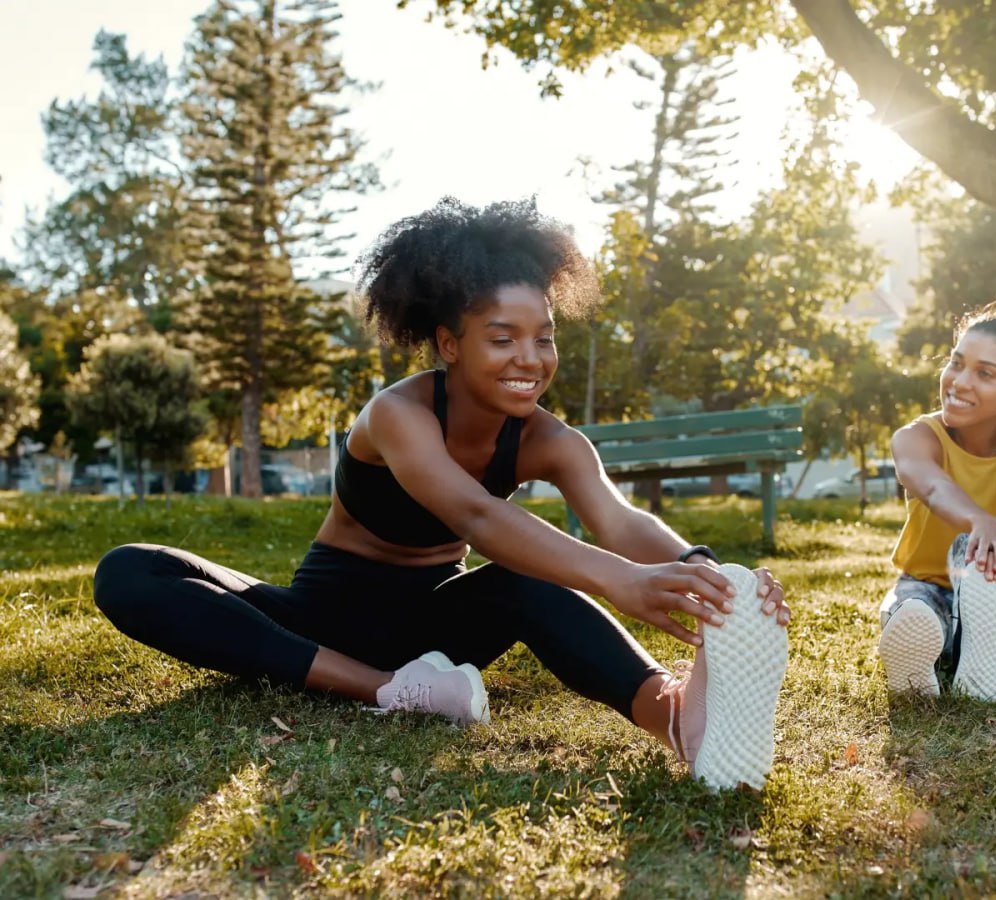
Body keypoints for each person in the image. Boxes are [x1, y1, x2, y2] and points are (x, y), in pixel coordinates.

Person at [93, 197, 790, 791]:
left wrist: (710, 576)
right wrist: (622, 581)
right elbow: (476, 515)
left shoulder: (551, 440)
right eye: (502, 337)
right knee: (130, 571)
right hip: (317, 622)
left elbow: (618, 517)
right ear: (449, 344)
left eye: (543, 338)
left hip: (436, 634)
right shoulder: (398, 415)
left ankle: (674, 715)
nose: (530, 358)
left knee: (531, 583)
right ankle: (387, 692)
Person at [878, 306, 996, 702]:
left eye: (985, 374)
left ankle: (976, 642)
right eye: (956, 363)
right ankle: (934, 647)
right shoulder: (917, 438)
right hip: (928, 583)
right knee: (911, 610)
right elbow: (931, 487)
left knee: (974, 552)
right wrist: (978, 518)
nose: (959, 382)